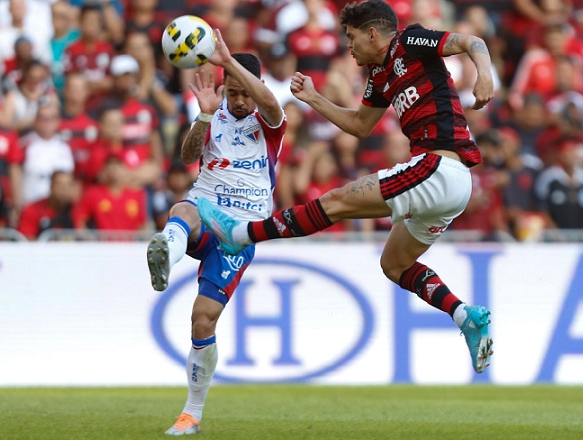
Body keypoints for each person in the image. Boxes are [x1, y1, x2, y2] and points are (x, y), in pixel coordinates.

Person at [198, 0, 494, 374]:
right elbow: (359, 126)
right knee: (394, 264)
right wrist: (314, 99)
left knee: (336, 201)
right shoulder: (380, 75)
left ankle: (240, 234)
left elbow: (472, 41)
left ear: (373, 33)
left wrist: (484, 74)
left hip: (439, 166)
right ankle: (465, 315)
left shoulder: (412, 41)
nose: (349, 47)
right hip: (450, 184)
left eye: (352, 37)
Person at [145, 30, 285, 435]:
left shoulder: (269, 122)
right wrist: (205, 115)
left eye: (245, 93)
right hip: (205, 210)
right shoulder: (214, 113)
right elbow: (188, 156)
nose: (238, 101)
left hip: (238, 233)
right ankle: (165, 254)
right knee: (183, 208)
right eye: (232, 93)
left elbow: (272, 103)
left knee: (202, 322)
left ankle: (191, 414)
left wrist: (229, 62)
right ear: (224, 89)